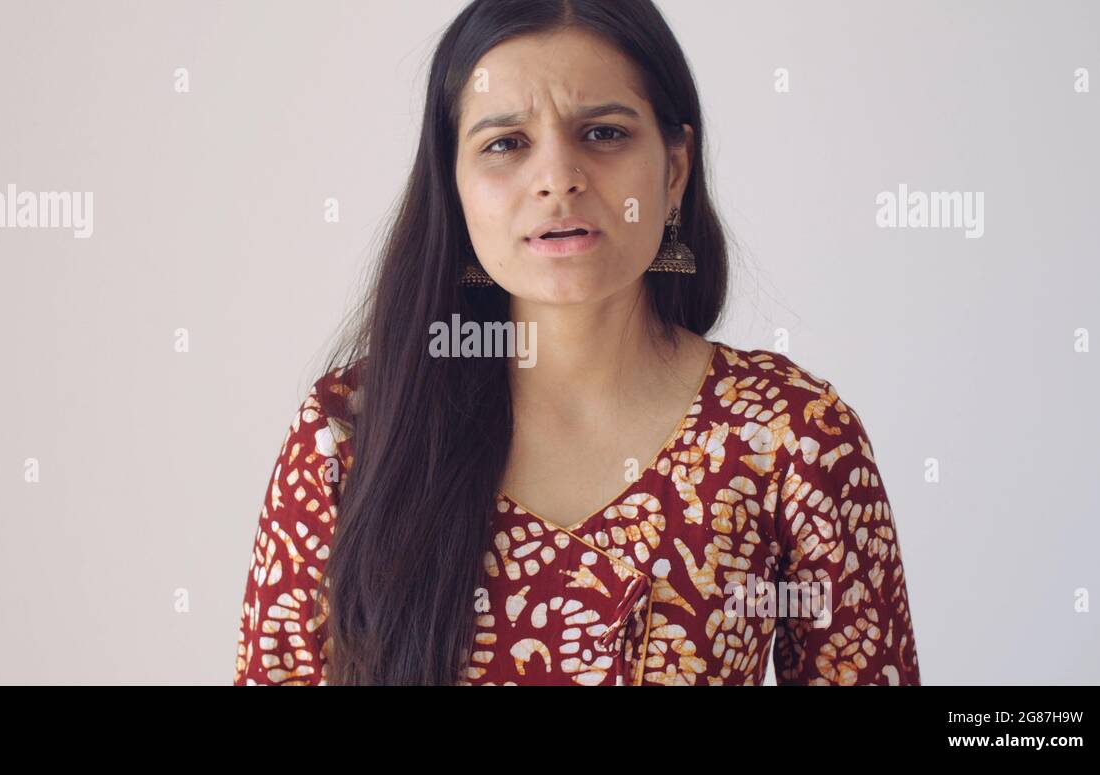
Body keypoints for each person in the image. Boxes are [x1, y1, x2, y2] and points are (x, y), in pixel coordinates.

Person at [234, 0, 920, 686]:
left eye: (603, 132)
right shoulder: (350, 433)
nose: (558, 177)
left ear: (675, 169)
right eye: (505, 143)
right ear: (454, 183)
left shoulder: (788, 437)